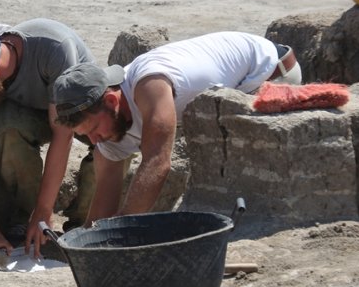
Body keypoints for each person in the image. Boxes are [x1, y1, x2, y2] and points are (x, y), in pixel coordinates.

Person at [51, 31, 301, 225]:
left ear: (110, 100)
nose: (95, 140)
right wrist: (89, 240)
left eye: (94, 129)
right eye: (86, 136)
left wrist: (121, 228)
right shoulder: (108, 122)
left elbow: (158, 163)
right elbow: (105, 194)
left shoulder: (149, 83)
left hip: (269, 72)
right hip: (228, 86)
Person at [0, 18, 97, 261]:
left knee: (113, 143)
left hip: (81, 107)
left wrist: (44, 211)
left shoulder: (53, 49)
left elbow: (63, 135)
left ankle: (84, 224)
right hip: (32, 112)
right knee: (6, 126)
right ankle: (23, 218)